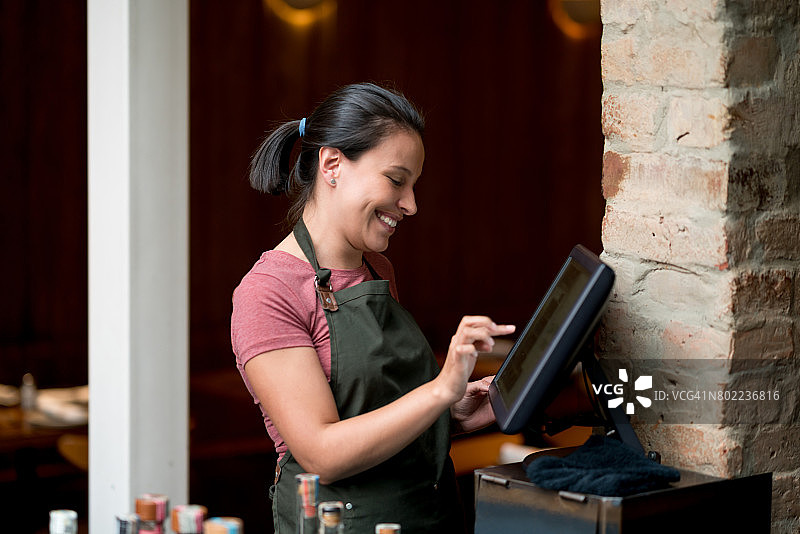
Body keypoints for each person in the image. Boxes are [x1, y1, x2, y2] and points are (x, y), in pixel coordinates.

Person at [231, 82, 515, 534]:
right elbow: (322, 452)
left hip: (430, 516)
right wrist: (439, 390)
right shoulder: (267, 292)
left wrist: (449, 414)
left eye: (414, 185)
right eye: (397, 180)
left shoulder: (376, 269)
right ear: (332, 164)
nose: (411, 205)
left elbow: (379, 406)